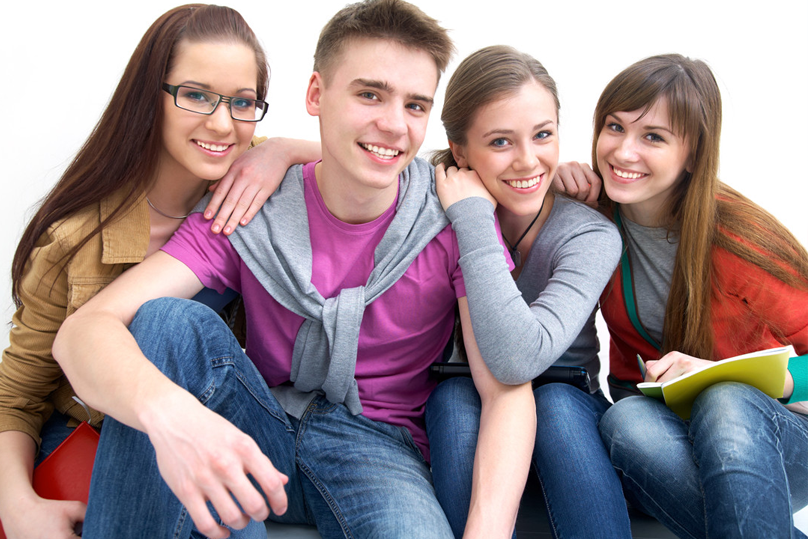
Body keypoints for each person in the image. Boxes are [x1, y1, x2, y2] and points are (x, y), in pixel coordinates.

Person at [53, 1, 537, 538]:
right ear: (315, 95)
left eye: (415, 105)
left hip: (379, 448)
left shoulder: (453, 218)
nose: (394, 125)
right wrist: (172, 417)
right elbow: (83, 331)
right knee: (166, 321)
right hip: (255, 423)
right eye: (369, 94)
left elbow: (506, 390)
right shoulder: (248, 205)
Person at [0, 5, 322, 538]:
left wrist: (284, 150)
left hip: (216, 424)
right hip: (105, 431)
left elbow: (385, 159)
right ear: (151, 97)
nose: (222, 124)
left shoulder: (253, 186)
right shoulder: (73, 241)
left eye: (243, 102)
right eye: (196, 95)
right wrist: (17, 507)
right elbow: (15, 397)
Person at [558, 53, 808, 539]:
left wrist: (733, 377)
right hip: (672, 445)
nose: (623, 152)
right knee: (624, 420)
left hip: (773, 444)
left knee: (726, 398)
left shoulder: (740, 240)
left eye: (653, 137)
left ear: (693, 155)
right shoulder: (595, 219)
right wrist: (547, 187)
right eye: (615, 127)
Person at [421, 45, 626, 538]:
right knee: (451, 400)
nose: (528, 160)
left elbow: (518, 359)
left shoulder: (589, 234)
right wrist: (279, 150)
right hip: (473, 408)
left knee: (554, 406)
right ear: (459, 150)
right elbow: (361, 158)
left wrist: (473, 220)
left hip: (568, 412)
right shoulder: (430, 201)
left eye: (543, 135)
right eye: (500, 142)